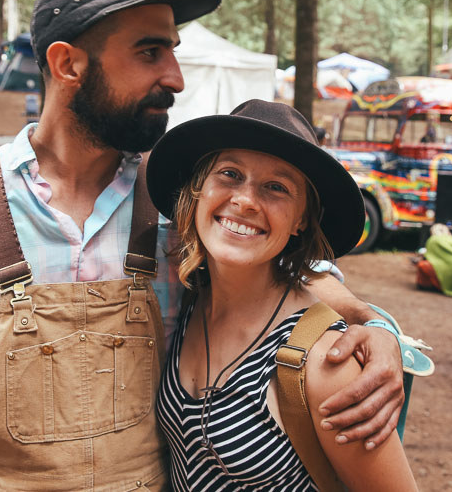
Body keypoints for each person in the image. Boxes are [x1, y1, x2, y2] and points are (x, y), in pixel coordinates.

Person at [0, 0, 405, 491]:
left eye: (173, 51)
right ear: (68, 65)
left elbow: (282, 262)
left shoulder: (179, 198)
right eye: (150, 52)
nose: (175, 77)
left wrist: (374, 326)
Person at [147, 100, 417, 491]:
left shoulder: (324, 361)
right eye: (229, 173)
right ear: (198, 188)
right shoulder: (189, 301)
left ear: (302, 219)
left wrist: (379, 328)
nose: (244, 200)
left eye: (276, 187)